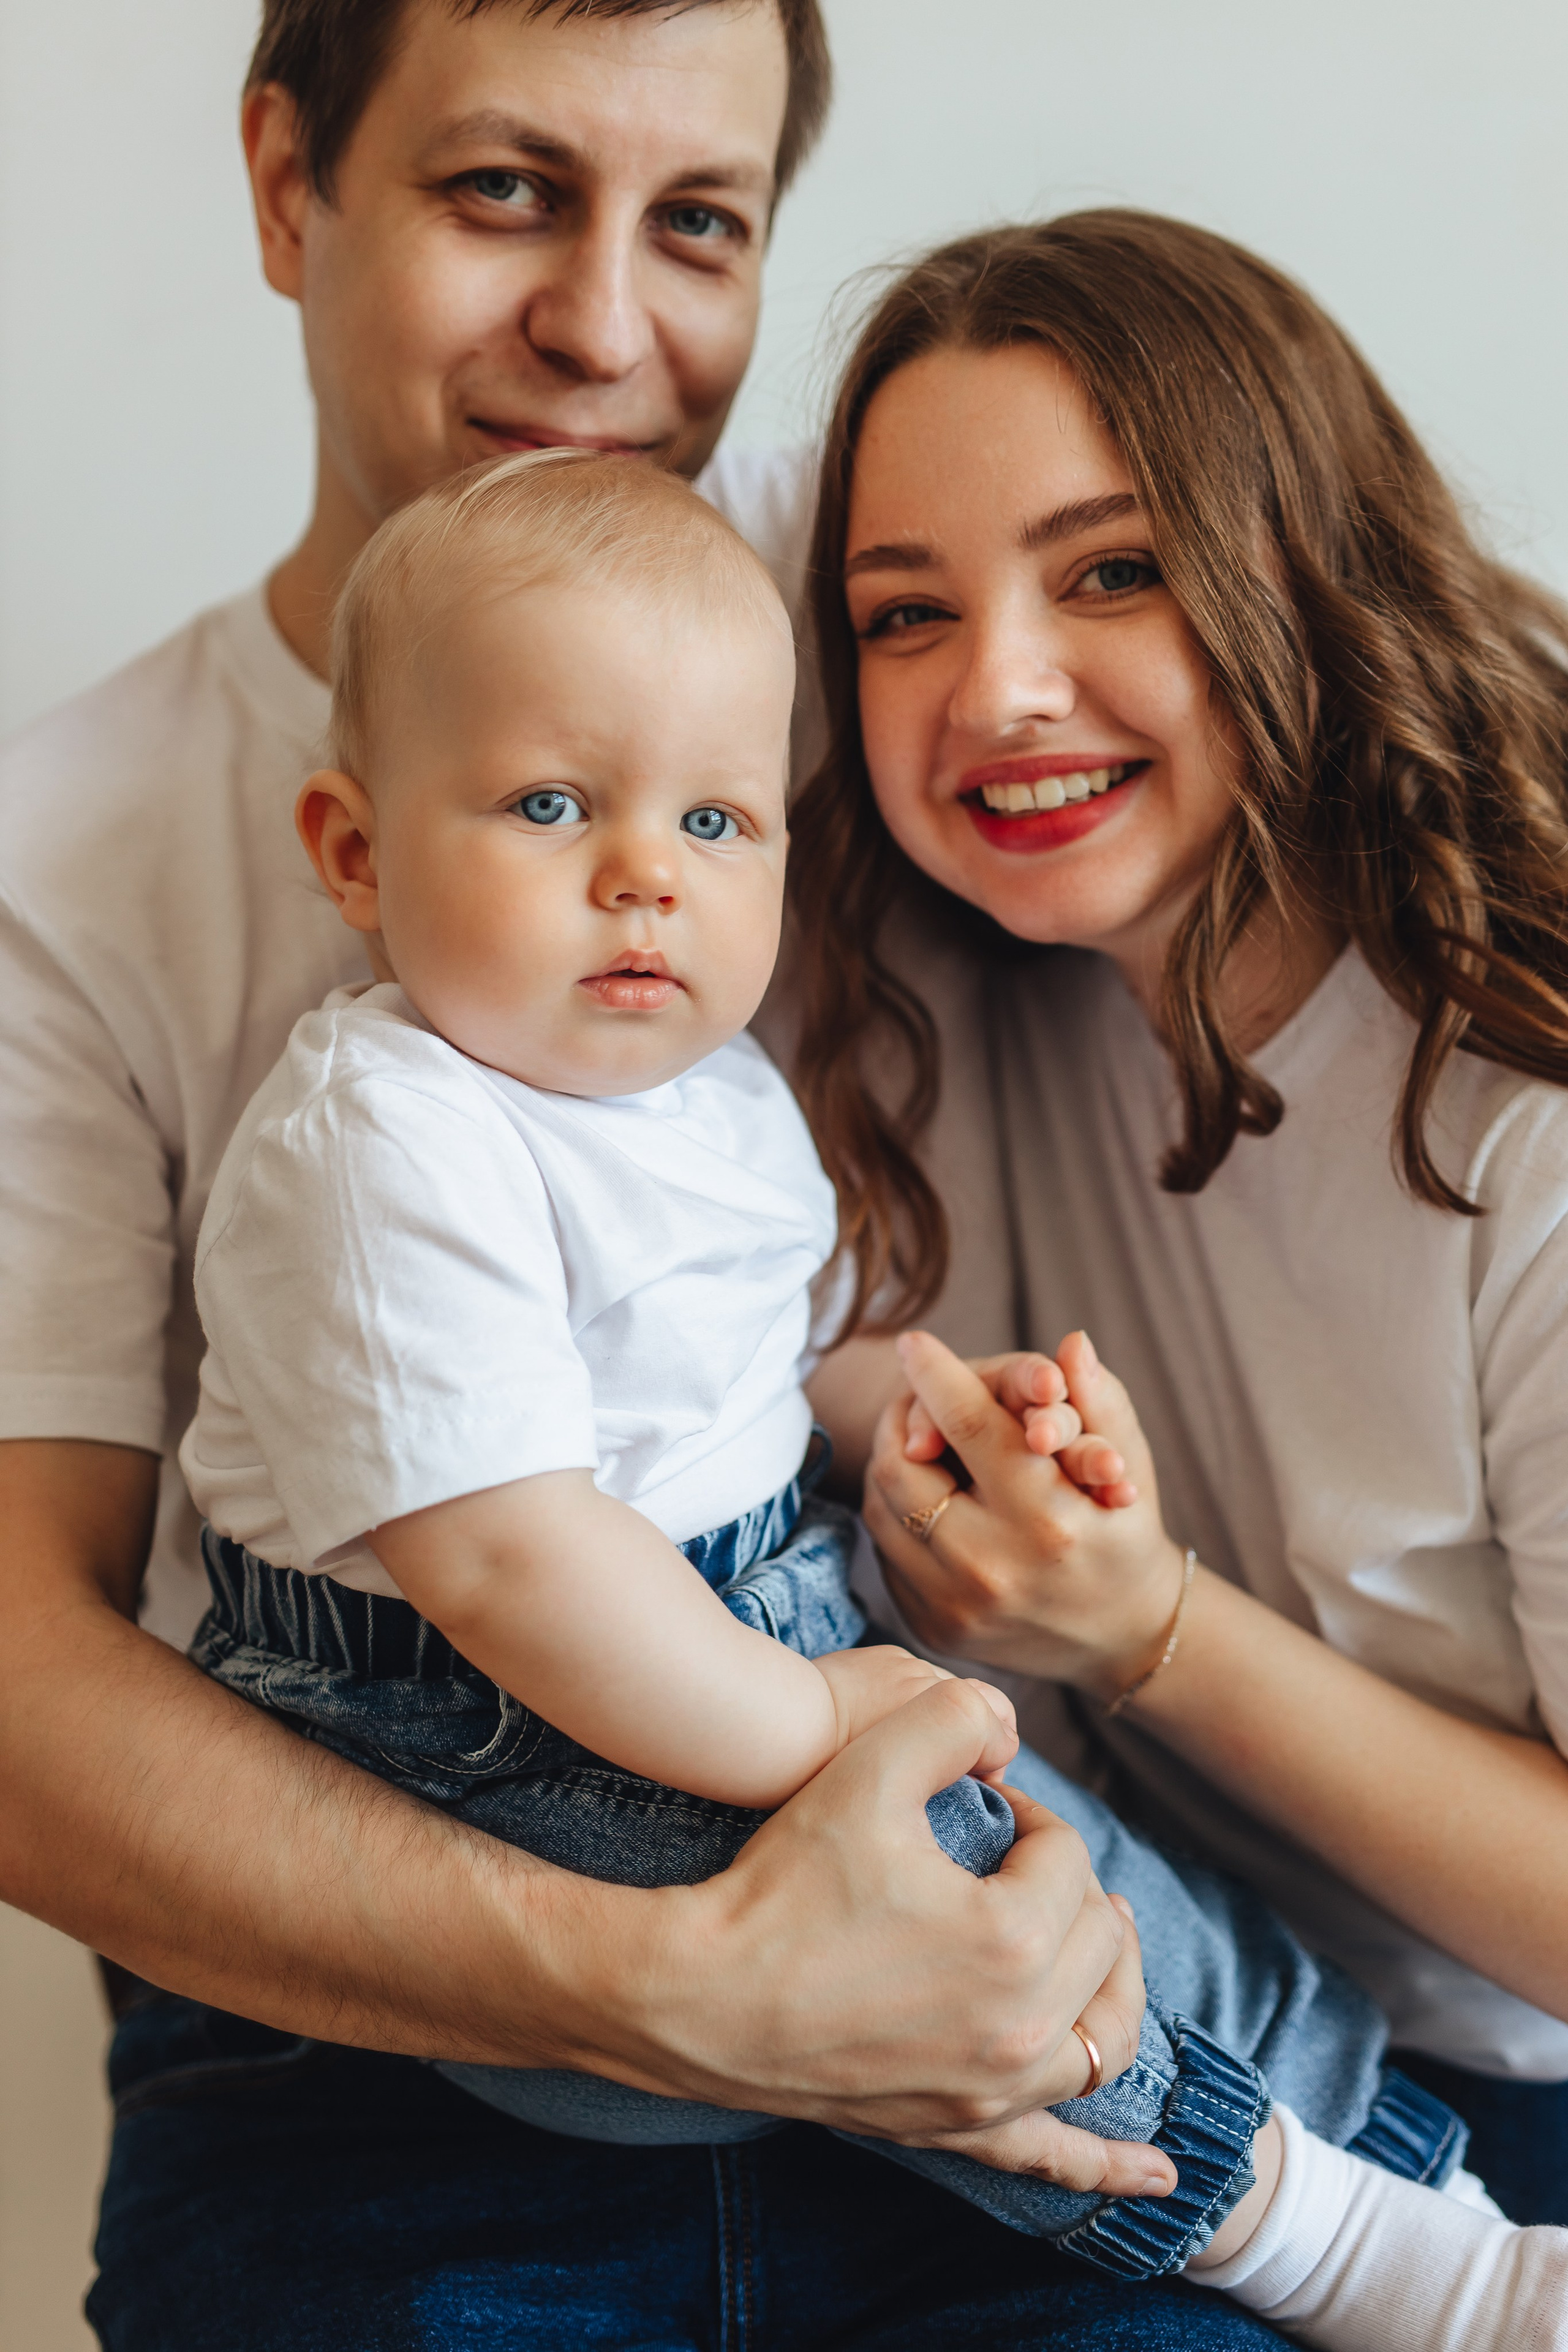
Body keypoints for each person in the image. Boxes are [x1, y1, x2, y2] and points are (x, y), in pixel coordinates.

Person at [0, 0, 1482, 2336]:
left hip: (875, 1777)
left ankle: (1374, 2210)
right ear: (291, 186)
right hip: (401, 1952)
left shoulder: (877, 597)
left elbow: (1233, 600)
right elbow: (20, 1663)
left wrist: (948, 1433)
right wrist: (677, 1981)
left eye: (697, 223)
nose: (603, 326)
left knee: (1161, 1998)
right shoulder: (63, 871)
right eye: (505, 191)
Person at [178, 442, 1568, 2346]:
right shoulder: (387, 1134)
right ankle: (1336, 2248)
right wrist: (809, 1711)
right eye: (552, 802)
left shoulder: (705, 1092)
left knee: (1120, 1890)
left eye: (720, 824)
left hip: (744, 1621)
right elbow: (504, 1558)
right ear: (355, 851)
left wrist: (932, 1415)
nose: (644, 876)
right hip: (494, 1737)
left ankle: (1427, 2177)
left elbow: (777, 1343)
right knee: (972, 1943)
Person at [778, 206, 1568, 2248]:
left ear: (1304, 564)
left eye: (1110, 572)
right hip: (1191, 2020)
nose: (1001, 692)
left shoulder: (1530, 1116)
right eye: (902, 614)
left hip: (1509, 2110)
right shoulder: (929, 992)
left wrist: (1146, 1632)